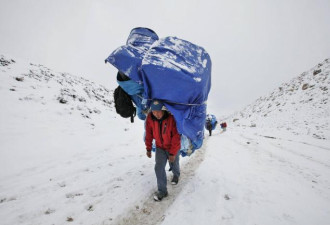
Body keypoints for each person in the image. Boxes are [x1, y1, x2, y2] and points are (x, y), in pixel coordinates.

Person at [145, 100, 181, 201]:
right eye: (154, 112)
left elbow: (176, 136)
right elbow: (149, 133)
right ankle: (162, 191)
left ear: (163, 110)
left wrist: (173, 153)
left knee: (174, 163)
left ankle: (176, 175)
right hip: (160, 147)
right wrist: (148, 148)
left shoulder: (171, 118)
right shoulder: (150, 118)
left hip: (172, 146)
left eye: (158, 111)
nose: (156, 114)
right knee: (158, 167)